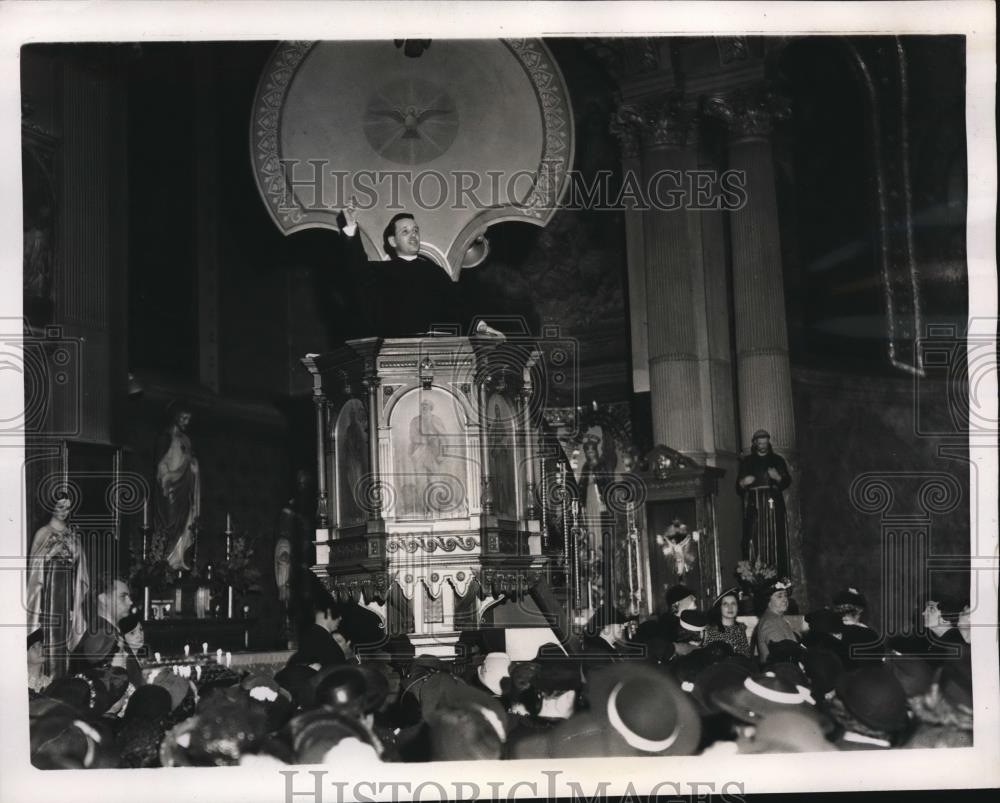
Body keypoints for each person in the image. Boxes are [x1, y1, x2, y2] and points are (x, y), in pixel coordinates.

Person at [338, 201, 463, 337]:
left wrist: (479, 326)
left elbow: (457, 306)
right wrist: (351, 226)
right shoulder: (381, 271)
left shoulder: (436, 272)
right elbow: (357, 268)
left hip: (436, 349)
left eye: (415, 230)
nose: (413, 235)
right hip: (394, 352)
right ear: (393, 241)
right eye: (405, 231)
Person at [25, 495, 90, 680]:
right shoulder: (42, 533)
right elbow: (34, 569)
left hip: (66, 600)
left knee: (63, 642)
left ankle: (62, 681)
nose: (64, 511)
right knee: (47, 641)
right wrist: (50, 554)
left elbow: (81, 571)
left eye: (68, 507)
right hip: (47, 600)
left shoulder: (73, 535)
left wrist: (73, 551)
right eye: (60, 506)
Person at [71, 576, 145, 691]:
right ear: (103, 599)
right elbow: (104, 691)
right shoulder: (102, 636)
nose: (130, 602)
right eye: (123, 597)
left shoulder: (107, 632)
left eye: (129, 597)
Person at [737, 429, 792, 576]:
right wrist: (743, 482)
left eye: (765, 442)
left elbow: (787, 481)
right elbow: (739, 486)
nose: (762, 445)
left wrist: (778, 477)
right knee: (753, 538)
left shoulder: (777, 460)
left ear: (768, 442)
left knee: (776, 538)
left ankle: (778, 576)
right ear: (755, 443)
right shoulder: (747, 462)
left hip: (773, 503)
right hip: (754, 505)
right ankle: (756, 577)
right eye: (759, 443)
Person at [154, 404, 200, 570]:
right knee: (170, 523)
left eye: (189, 419)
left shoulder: (186, 440)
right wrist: (166, 477)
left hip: (184, 488)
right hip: (170, 489)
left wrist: (193, 466)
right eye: (183, 418)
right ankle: (166, 561)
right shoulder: (165, 438)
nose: (186, 422)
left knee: (185, 523)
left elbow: (191, 461)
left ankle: (179, 559)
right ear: (175, 416)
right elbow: (161, 464)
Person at [755, 579, 797, 664]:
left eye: (785, 595)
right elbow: (783, 655)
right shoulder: (769, 622)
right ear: (768, 601)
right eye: (779, 596)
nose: (785, 599)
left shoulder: (777, 618)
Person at [703, 587, 752, 658]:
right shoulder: (712, 631)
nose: (730, 607)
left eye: (733, 604)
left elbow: (746, 655)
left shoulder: (740, 628)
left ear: (738, 607)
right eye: (726, 604)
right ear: (719, 608)